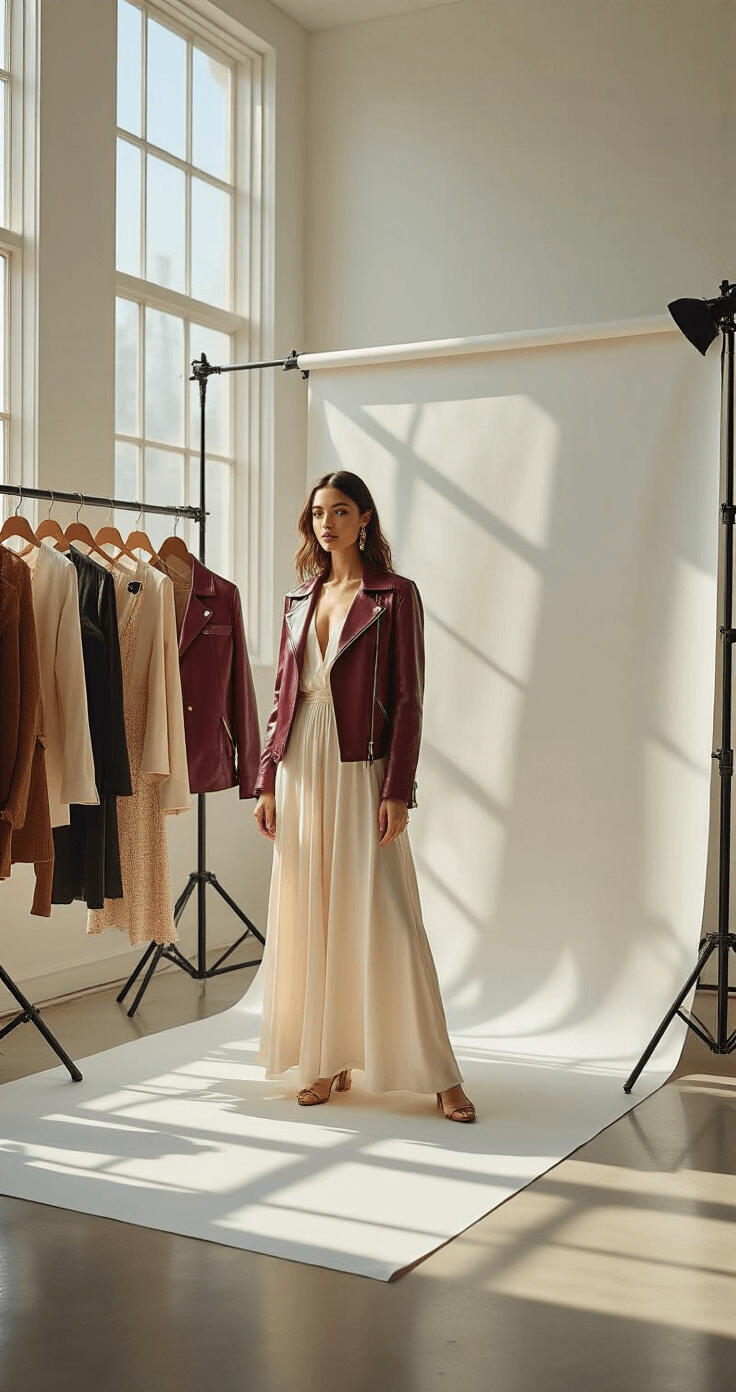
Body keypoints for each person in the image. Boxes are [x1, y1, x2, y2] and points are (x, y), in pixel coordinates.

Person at [254, 470, 475, 1122]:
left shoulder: (395, 596)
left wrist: (397, 790)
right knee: (314, 908)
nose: (327, 523)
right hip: (301, 765)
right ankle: (327, 1059)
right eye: (318, 511)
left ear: (365, 520)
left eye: (340, 511)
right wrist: (267, 780)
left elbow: (408, 698)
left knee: (389, 912)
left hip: (360, 764)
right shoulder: (299, 598)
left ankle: (441, 1074)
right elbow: (281, 699)